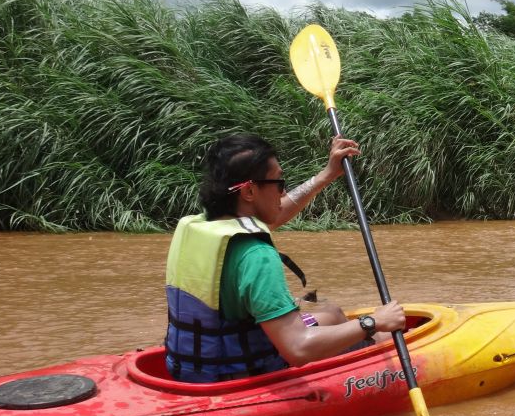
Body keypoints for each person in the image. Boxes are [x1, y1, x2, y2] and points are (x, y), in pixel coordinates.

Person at [164, 133, 407, 383]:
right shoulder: (256, 255)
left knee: (332, 313)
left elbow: (275, 214)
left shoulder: (199, 225)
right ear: (249, 191)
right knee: (385, 336)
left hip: (189, 367)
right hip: (239, 375)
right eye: (278, 183)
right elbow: (298, 348)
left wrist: (326, 175)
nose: (284, 191)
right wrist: (374, 321)